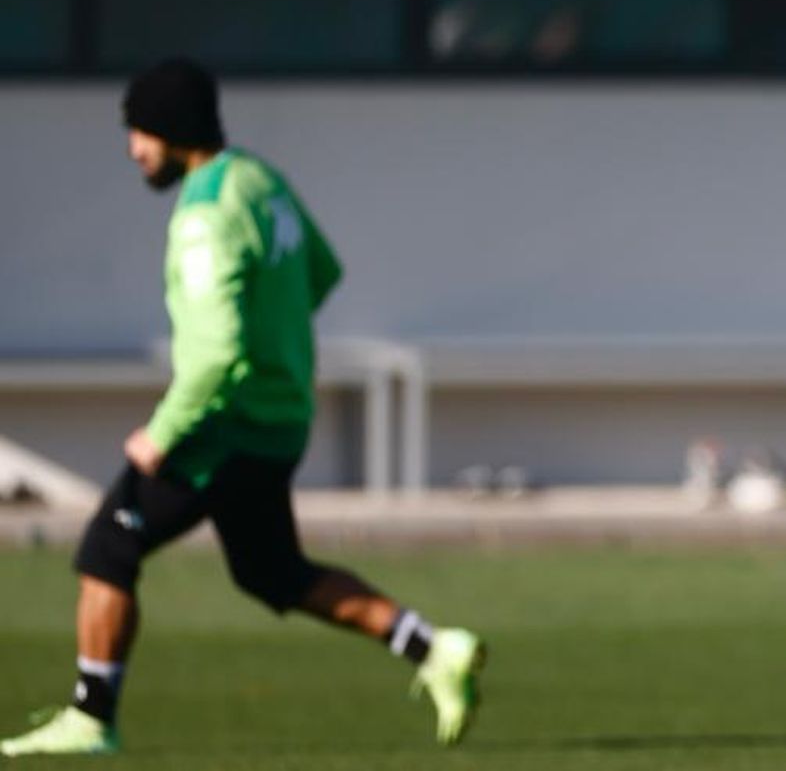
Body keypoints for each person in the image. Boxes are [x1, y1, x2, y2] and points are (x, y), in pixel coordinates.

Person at [1, 59, 482, 758]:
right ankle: (433, 648)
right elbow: (320, 271)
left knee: (108, 547)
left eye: (139, 132)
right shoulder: (260, 180)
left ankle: (90, 718)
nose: (133, 149)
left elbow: (216, 353)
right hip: (281, 419)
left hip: (223, 425)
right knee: (272, 572)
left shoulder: (204, 215)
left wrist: (161, 434)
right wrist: (273, 333)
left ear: (171, 129)